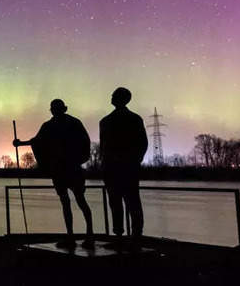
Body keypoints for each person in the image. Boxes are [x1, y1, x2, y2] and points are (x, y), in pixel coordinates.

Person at [14, 98, 94, 249]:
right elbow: (37, 141)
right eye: (53, 109)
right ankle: (71, 236)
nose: (55, 111)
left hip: (71, 168)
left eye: (57, 109)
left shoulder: (73, 123)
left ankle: (89, 235)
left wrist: (78, 158)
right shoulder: (49, 126)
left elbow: (85, 143)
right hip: (59, 170)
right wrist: (20, 144)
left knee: (80, 201)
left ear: (63, 109)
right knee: (66, 202)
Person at [98, 87, 148, 247]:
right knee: (121, 202)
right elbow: (103, 147)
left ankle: (132, 236)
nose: (111, 97)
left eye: (114, 95)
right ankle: (126, 236)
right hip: (118, 168)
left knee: (127, 202)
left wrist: (133, 160)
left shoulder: (127, 120)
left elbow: (142, 143)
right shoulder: (108, 121)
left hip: (122, 168)